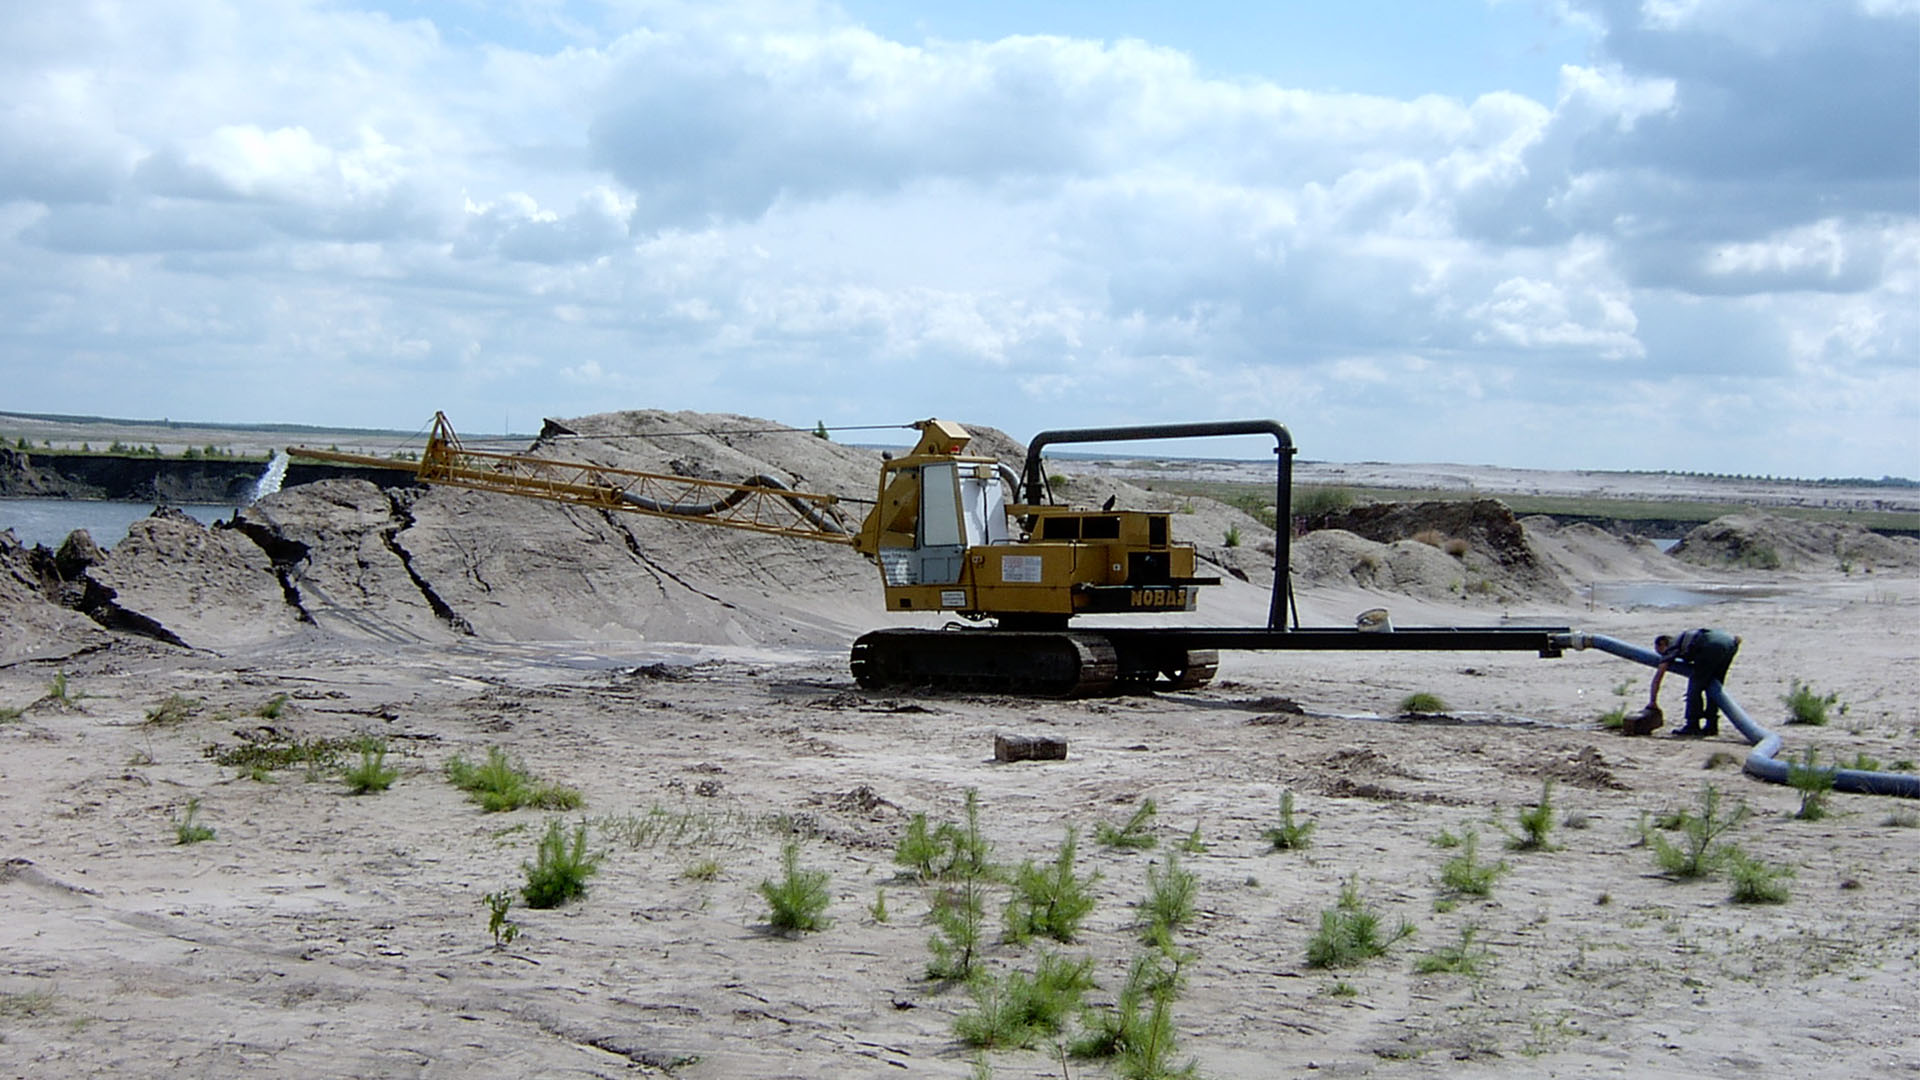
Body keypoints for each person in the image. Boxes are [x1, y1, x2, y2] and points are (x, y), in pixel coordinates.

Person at [1647, 628, 1741, 737]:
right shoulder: (1684, 638)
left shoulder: (1672, 646)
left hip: (1711, 646)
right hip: (1729, 643)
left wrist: (1653, 701)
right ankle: (1712, 725)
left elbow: (1658, 676)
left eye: (1659, 651)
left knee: (1695, 688)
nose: (1661, 655)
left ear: (1662, 644)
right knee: (1715, 686)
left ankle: (1692, 725)